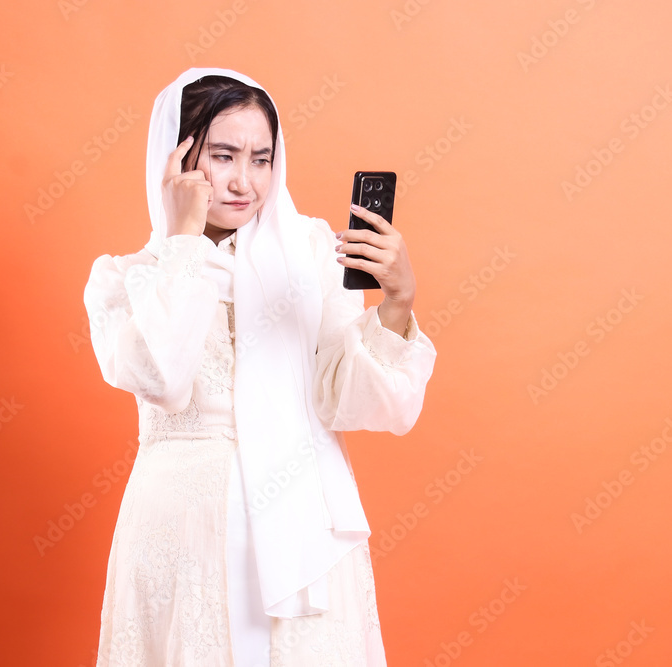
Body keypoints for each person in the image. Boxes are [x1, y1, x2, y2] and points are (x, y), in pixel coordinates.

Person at [83, 67, 437, 666]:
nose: (246, 181)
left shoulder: (311, 259)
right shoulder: (126, 277)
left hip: (303, 530)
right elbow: (163, 379)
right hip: (183, 531)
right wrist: (184, 239)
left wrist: (398, 303)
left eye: (262, 159)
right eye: (223, 156)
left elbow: (357, 403)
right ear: (177, 158)